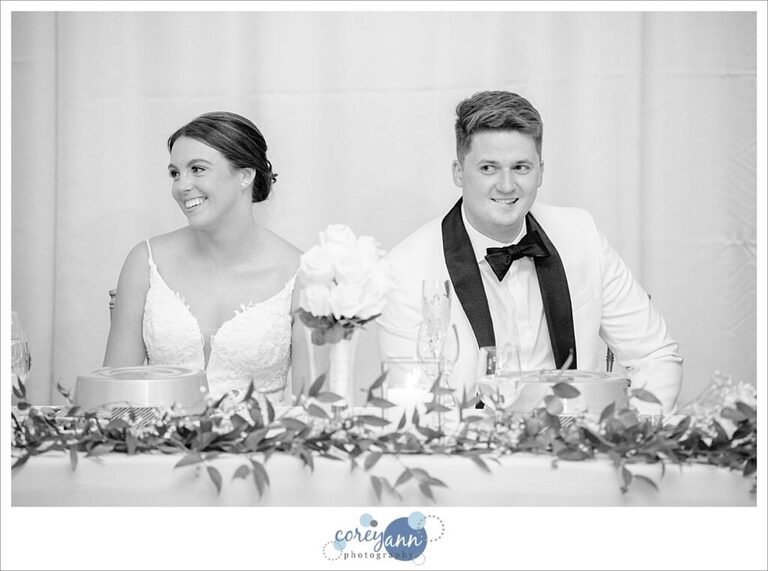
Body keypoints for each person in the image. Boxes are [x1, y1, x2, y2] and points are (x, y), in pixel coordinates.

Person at [378, 91, 682, 415]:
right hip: (468, 457)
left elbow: (655, 356)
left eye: (520, 167)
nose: (507, 185)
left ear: (540, 171)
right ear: (458, 172)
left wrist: (622, 433)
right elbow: (413, 407)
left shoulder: (582, 236)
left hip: (575, 455)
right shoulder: (404, 269)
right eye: (488, 168)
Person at [104, 111, 306, 405]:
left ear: (245, 176)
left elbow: (314, 410)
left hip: (261, 447)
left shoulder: (301, 272)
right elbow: (114, 395)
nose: (181, 186)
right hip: (158, 447)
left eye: (197, 169)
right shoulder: (144, 261)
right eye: (175, 173)